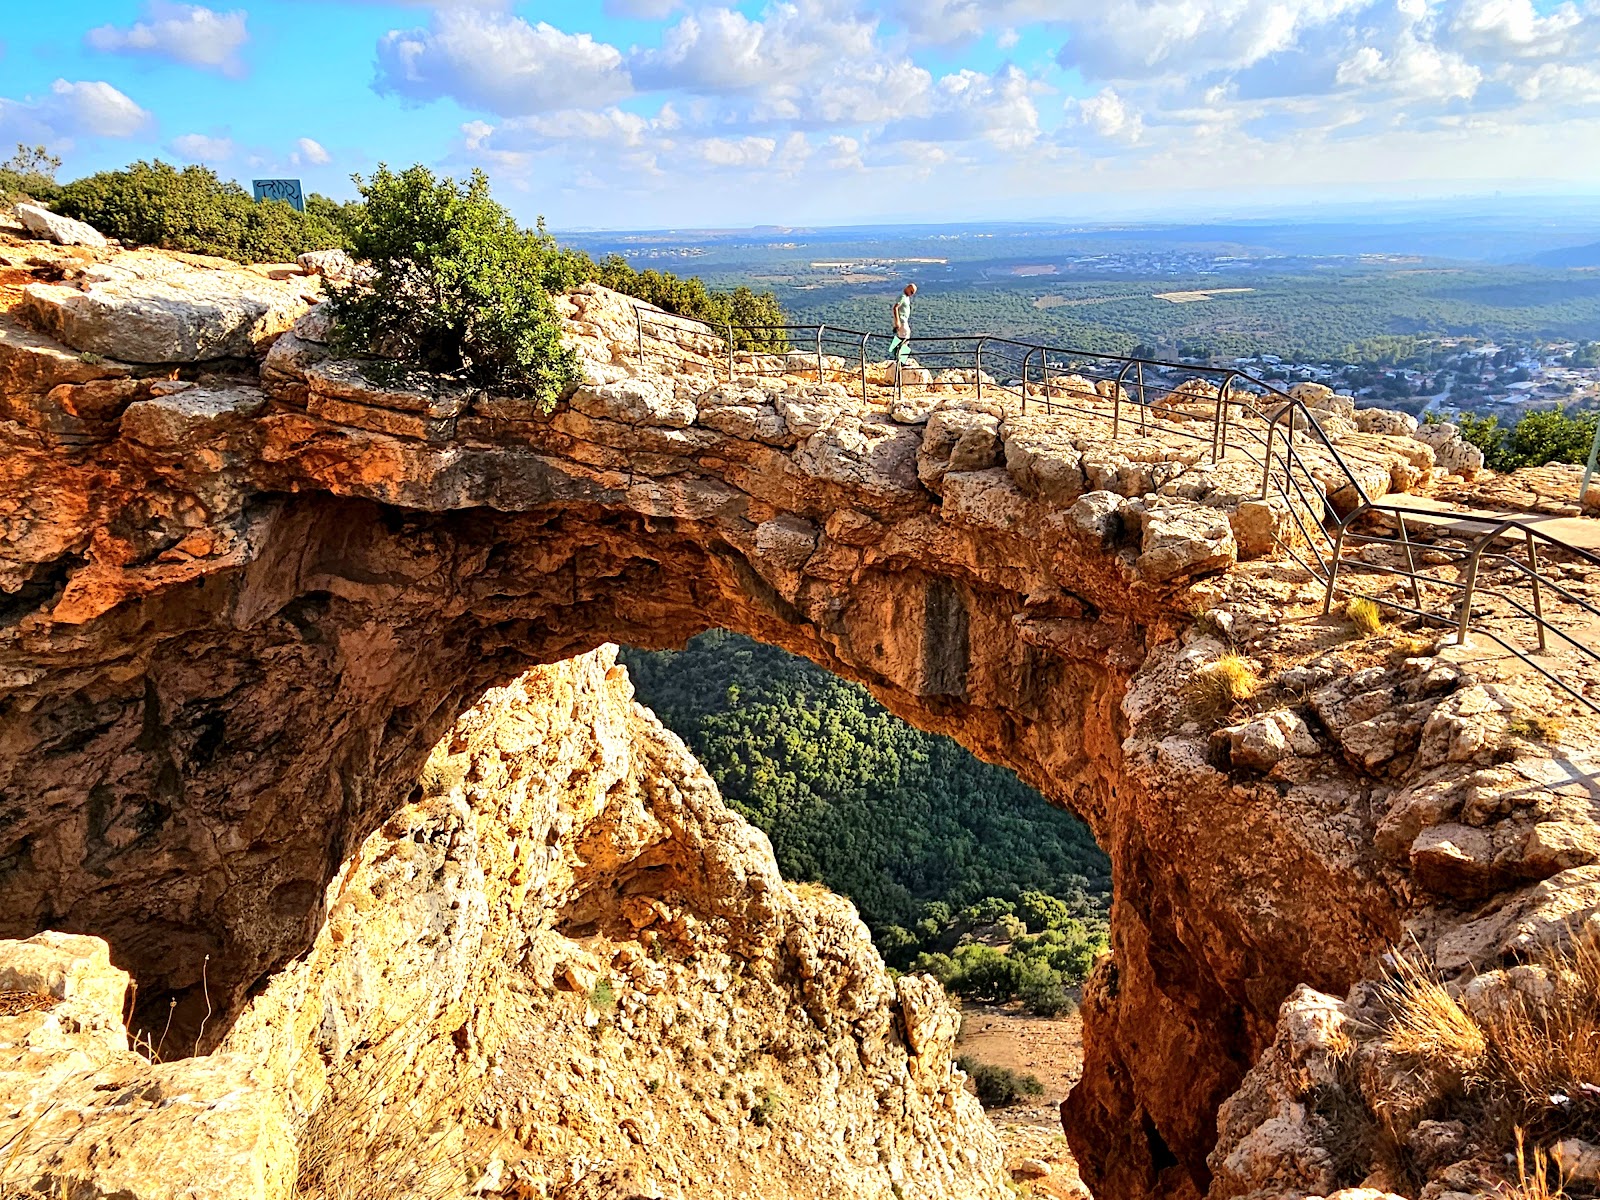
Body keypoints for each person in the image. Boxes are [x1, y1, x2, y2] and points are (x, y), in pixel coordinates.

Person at [886, 282, 916, 377]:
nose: (911, 294)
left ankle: (897, 357)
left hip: (903, 321)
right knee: (904, 340)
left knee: (900, 339)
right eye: (911, 291)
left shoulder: (905, 297)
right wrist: (897, 322)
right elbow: (895, 308)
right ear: (907, 288)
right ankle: (901, 360)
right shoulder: (903, 297)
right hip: (902, 322)